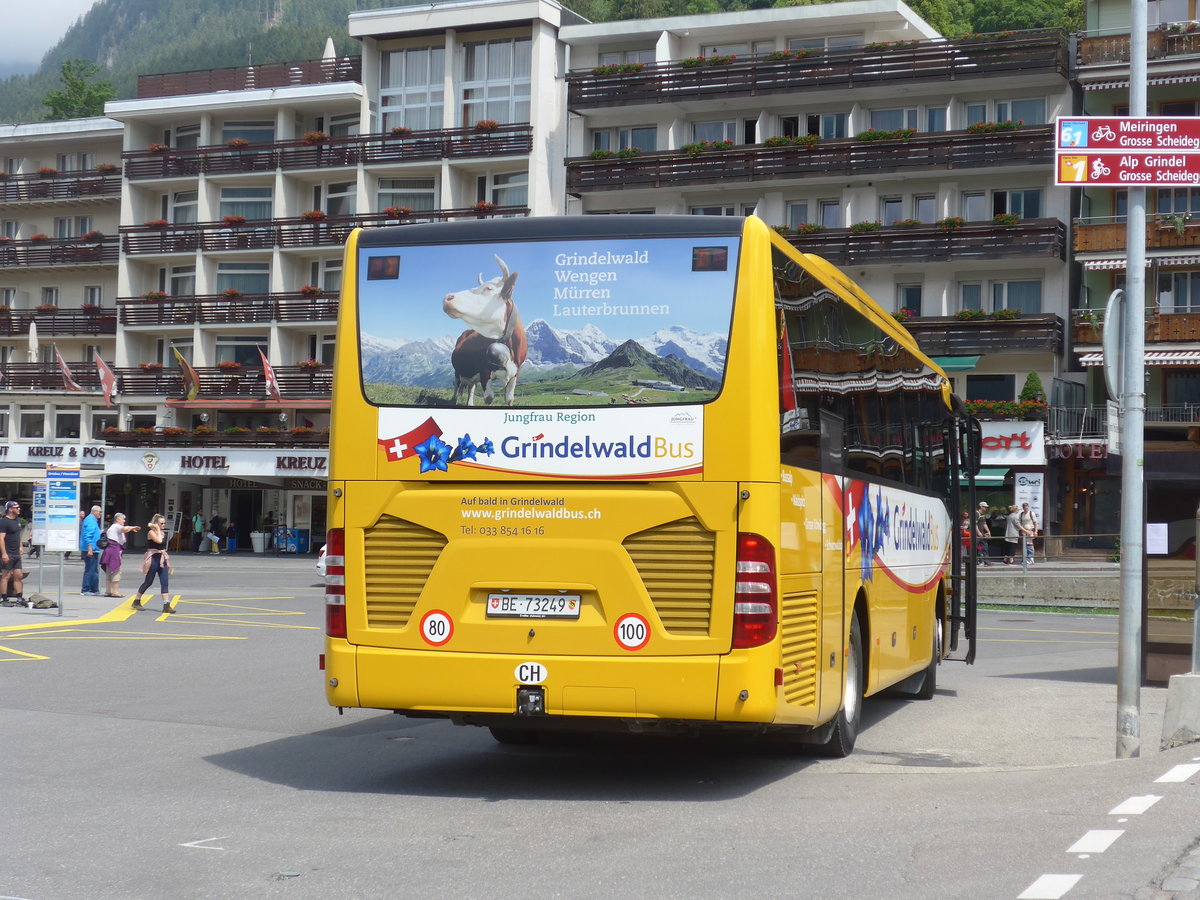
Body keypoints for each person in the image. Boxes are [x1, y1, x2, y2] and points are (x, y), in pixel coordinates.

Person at [132, 514, 175, 614]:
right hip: (153, 559)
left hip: (161, 558)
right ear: (156, 524)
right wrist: (157, 529)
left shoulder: (162, 533)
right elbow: (159, 541)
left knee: (165, 582)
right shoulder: (151, 532)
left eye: (164, 523)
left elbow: (162, 548)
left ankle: (166, 605)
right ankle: (136, 601)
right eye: (161, 523)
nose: (164, 524)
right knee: (148, 581)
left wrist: (167, 562)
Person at [101, 512, 140, 598]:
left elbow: (124, 529)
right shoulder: (116, 526)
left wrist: (130, 529)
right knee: (116, 571)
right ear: (118, 519)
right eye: (123, 519)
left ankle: (108, 591)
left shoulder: (112, 527)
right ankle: (115, 591)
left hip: (109, 550)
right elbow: (124, 529)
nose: (124, 521)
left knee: (109, 572)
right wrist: (133, 527)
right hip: (114, 550)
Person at [0, 500, 26, 607]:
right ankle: (4, 598)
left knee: (18, 575)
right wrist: (4, 553)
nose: (19, 509)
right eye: (17, 507)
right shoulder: (3, 521)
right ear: (10, 509)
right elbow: (1, 538)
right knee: (6, 575)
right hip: (8, 552)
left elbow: (17, 535)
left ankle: (19, 598)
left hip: (16, 553)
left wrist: (20, 546)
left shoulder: (17, 520)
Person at [80, 505, 103, 595]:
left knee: (94, 570)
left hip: (94, 549)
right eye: (99, 512)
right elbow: (88, 536)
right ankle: (86, 589)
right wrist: (90, 548)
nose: (100, 513)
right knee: (90, 569)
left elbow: (92, 533)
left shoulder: (92, 520)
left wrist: (99, 532)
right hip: (90, 550)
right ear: (94, 511)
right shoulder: (90, 520)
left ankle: (94, 589)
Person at [974, 501, 992, 566]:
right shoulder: (976, 514)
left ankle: (986, 561)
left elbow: (984, 523)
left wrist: (988, 531)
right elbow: (974, 524)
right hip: (976, 534)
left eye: (986, 507)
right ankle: (976, 561)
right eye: (985, 507)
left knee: (985, 546)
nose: (986, 508)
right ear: (981, 507)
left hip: (982, 534)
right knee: (975, 548)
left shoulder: (983, 515)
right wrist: (978, 532)